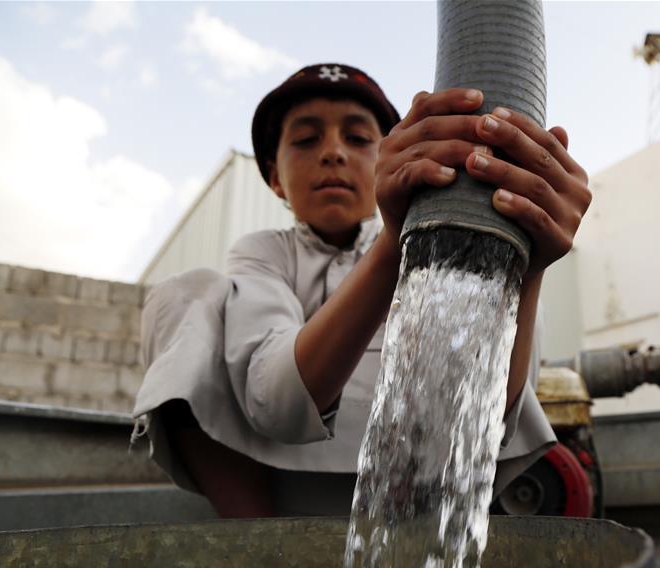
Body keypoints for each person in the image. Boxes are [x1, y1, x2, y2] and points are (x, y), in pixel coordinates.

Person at [131, 63, 591, 518]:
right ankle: (254, 552)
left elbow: (478, 421)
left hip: (415, 492)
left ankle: (421, 538)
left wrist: (529, 264)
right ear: (274, 178)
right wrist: (393, 247)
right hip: (277, 492)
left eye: (357, 138)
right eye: (306, 140)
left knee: (504, 293)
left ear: (390, 157)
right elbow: (277, 408)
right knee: (182, 294)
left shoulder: (435, 244)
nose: (333, 153)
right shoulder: (263, 254)